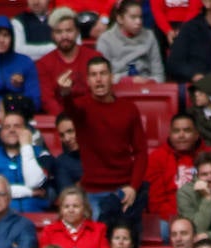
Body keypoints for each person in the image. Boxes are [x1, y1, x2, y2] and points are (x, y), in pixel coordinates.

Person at [57, 57, 146, 231]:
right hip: (92, 193)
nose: (99, 79)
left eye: (103, 73)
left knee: (126, 245)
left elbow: (141, 152)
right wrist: (66, 94)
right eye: (94, 75)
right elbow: (71, 111)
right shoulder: (81, 106)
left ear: (112, 77)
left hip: (124, 190)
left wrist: (134, 187)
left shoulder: (129, 109)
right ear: (88, 81)